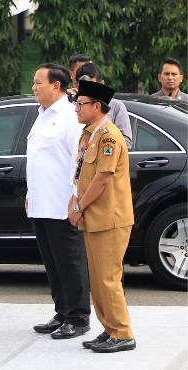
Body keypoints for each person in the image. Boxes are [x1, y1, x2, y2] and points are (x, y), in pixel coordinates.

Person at [69, 79, 136, 353]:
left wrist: (79, 207)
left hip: (110, 218)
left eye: (81, 104)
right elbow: (81, 174)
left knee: (108, 278)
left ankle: (122, 333)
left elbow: (102, 179)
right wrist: (76, 203)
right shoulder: (89, 134)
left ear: (97, 106)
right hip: (94, 216)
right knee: (97, 281)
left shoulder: (109, 136)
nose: (76, 108)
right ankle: (109, 329)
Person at [26, 63, 91, 340]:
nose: (34, 87)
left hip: (63, 204)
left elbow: (80, 161)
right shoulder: (40, 114)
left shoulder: (69, 115)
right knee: (52, 263)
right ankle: (62, 311)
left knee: (70, 262)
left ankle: (78, 316)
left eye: (38, 82)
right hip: (41, 203)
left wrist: (76, 199)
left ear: (56, 86)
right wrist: (31, 194)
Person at [68, 56, 132, 149]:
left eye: (92, 85)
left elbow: (126, 143)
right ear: (76, 84)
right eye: (84, 86)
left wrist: (97, 145)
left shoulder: (115, 106)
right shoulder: (70, 106)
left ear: (101, 84)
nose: (89, 90)